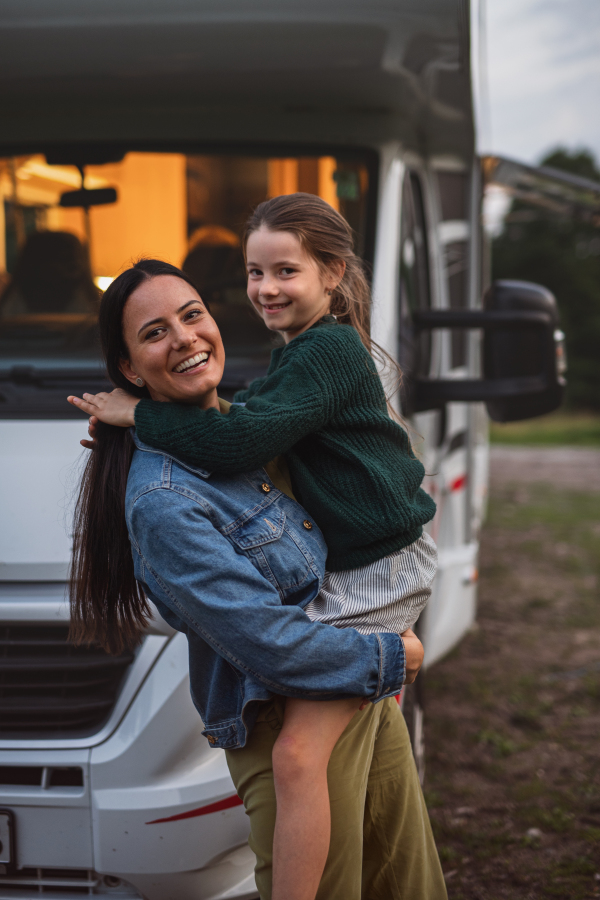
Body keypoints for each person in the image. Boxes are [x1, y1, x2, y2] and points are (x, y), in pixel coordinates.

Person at [69, 195, 442, 900]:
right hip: (302, 706)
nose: (183, 337)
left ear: (331, 274)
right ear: (128, 366)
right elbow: (271, 643)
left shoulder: (276, 388)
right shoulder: (165, 501)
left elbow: (240, 434)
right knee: (305, 771)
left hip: (358, 670)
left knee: (408, 884)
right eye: (155, 333)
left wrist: (141, 417)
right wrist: (395, 655)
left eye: (190, 314)